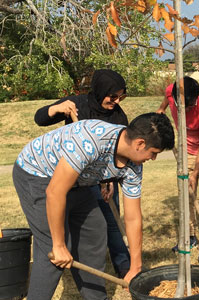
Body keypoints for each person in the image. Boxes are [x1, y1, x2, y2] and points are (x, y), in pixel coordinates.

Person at [13, 113, 174, 299]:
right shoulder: (92, 141)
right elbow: (54, 192)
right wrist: (58, 244)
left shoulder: (134, 166)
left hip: (78, 182)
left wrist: (135, 267)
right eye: (153, 152)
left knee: (95, 230)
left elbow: (133, 217)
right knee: (52, 249)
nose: (153, 158)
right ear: (139, 143)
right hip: (37, 174)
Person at [34, 69, 131, 278]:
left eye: (120, 96)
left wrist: (111, 179)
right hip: (73, 176)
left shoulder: (118, 115)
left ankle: (124, 266)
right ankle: (78, 261)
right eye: (112, 95)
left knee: (112, 222)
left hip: (103, 175)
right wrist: (56, 108)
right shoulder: (76, 104)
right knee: (83, 222)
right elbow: (39, 119)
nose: (116, 100)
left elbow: (120, 152)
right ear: (100, 90)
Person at [156, 76, 199, 251]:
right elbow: (166, 98)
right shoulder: (172, 92)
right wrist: (161, 109)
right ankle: (190, 237)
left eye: (194, 102)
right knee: (186, 196)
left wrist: (194, 174)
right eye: (189, 103)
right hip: (187, 150)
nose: (192, 105)